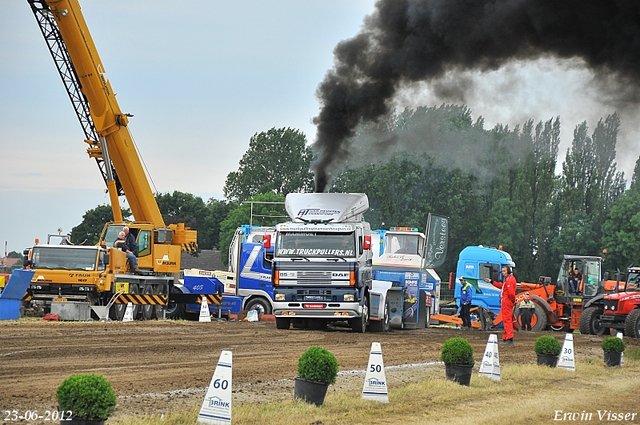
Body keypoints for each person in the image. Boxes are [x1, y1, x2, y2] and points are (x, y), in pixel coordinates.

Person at [484, 265, 517, 345]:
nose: (503, 273)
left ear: (508, 271)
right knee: (506, 319)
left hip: (507, 302)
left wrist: (512, 301)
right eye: (502, 271)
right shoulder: (508, 279)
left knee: (507, 320)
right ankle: (506, 337)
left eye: (504, 271)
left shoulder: (509, 280)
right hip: (506, 301)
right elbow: (502, 286)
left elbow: (511, 293)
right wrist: (491, 282)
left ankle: (509, 338)